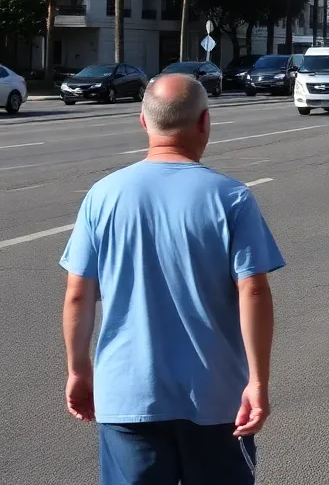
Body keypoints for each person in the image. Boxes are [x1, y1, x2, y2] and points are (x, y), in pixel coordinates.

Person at [59, 74, 283, 484]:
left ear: (144, 121)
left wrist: (78, 370)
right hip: (217, 398)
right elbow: (253, 289)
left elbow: (78, 295)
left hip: (128, 395)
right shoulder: (231, 197)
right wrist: (257, 382)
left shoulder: (102, 196)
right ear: (204, 122)